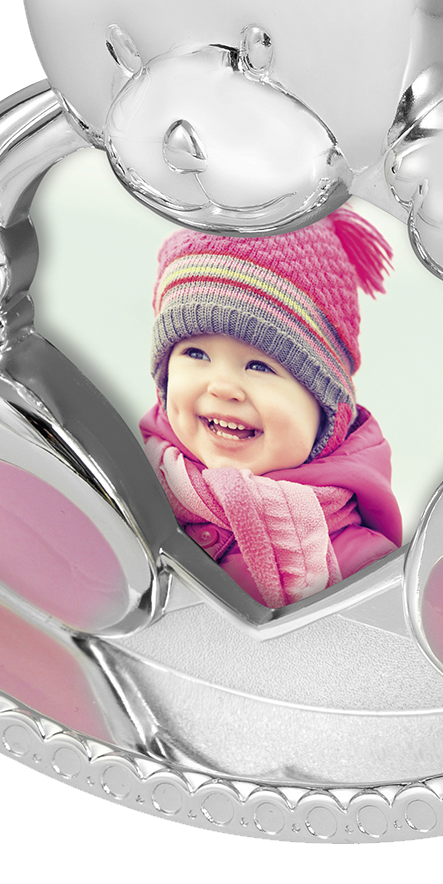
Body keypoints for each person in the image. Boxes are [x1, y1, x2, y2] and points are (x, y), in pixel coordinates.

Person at [139, 209, 403, 609]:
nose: (223, 386)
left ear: (325, 408)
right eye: (195, 353)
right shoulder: (130, 487)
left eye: (260, 366)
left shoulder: (360, 570)